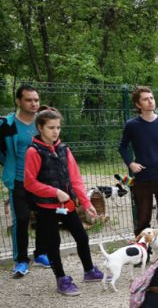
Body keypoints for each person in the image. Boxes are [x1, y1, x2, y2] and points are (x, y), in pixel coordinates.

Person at [23, 107, 104, 295]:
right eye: (51, 127)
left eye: (58, 127)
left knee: (82, 237)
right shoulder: (33, 152)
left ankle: (89, 271)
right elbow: (29, 183)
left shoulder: (64, 149)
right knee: (54, 243)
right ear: (40, 128)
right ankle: (61, 279)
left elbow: (75, 179)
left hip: (67, 206)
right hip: (46, 206)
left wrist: (86, 203)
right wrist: (54, 191)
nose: (55, 131)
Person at [118, 86, 158, 235]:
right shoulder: (132, 125)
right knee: (142, 220)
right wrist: (130, 163)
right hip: (142, 178)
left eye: (151, 98)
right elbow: (122, 147)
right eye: (145, 99)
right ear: (138, 105)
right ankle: (143, 254)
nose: (150, 101)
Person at [2, 84, 49, 277]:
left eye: (36, 100)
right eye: (29, 100)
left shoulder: (42, 122)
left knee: (45, 218)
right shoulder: (8, 124)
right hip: (19, 180)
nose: (33, 103)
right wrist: (10, 165)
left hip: (42, 180)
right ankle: (21, 260)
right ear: (18, 101)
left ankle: (41, 253)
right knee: (21, 219)